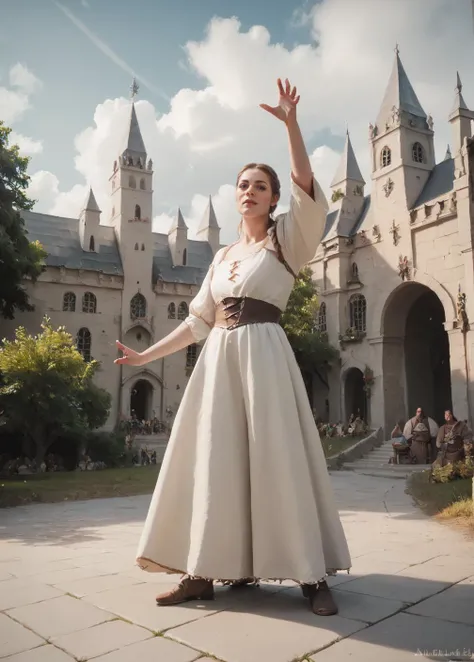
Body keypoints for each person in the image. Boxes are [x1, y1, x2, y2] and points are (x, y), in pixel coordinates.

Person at [115, 78, 351, 617]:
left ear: (272, 198)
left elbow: (306, 183)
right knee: (214, 463)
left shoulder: (288, 239)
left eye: (260, 186)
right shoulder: (220, 257)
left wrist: (291, 124)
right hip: (219, 362)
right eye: (243, 184)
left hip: (265, 358)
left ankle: (311, 575)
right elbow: (199, 320)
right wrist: (144, 358)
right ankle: (200, 573)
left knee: (280, 460)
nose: (250, 191)